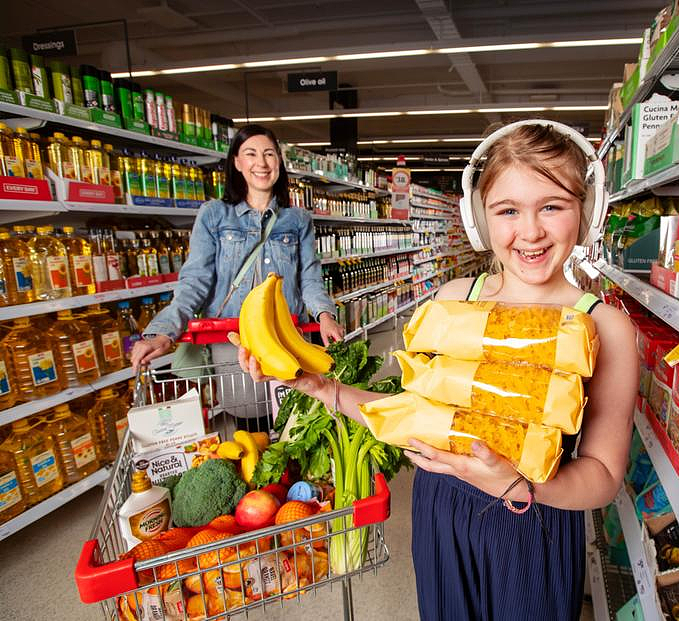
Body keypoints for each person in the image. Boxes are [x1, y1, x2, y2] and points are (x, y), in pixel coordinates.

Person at [236, 120, 638, 620]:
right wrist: (322, 387)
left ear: (588, 211)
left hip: (536, 518)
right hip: (442, 513)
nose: (531, 231)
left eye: (552, 206)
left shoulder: (606, 328)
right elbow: (414, 417)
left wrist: (519, 485)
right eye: (508, 210)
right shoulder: (451, 301)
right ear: (479, 219)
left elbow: (602, 475)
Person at [131, 124, 343, 427]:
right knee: (249, 422)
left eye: (269, 154)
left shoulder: (297, 220)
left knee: (295, 424)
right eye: (251, 154)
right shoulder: (215, 215)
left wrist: (324, 314)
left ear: (279, 163)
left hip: (288, 337)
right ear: (237, 162)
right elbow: (196, 280)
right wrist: (164, 331)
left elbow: (309, 276)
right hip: (233, 341)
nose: (262, 163)